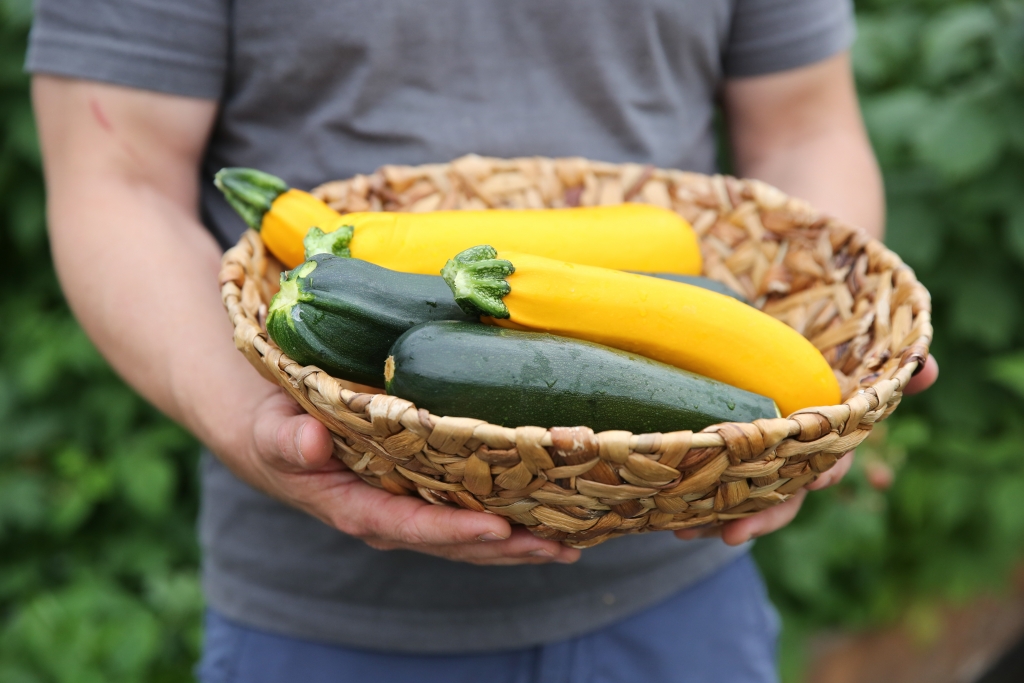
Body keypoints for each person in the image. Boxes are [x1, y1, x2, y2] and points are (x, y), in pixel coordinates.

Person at [26, 1, 938, 681]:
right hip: (328, 616)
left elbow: (806, 127)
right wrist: (252, 423)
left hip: (684, 575)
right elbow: (117, 177)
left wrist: (812, 408)